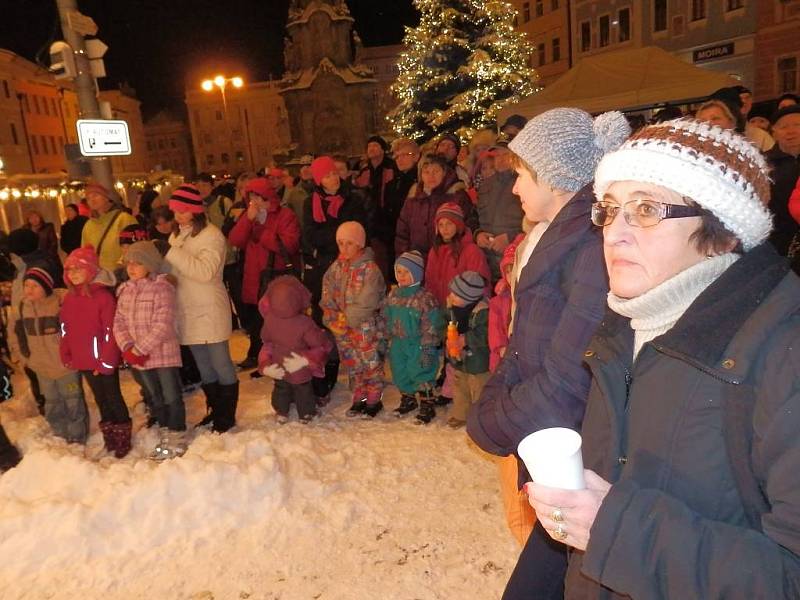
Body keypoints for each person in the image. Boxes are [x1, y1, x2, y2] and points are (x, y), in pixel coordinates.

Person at [525, 117, 800, 599]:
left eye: (647, 209)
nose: (614, 234)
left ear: (723, 230)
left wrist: (615, 531)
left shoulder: (784, 351)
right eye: (609, 210)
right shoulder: (623, 327)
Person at [466, 108, 630, 600]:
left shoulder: (587, 251)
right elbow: (524, 344)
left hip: (579, 449)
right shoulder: (555, 238)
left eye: (521, 174)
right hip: (554, 438)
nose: (514, 188)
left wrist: (489, 421)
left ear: (556, 179)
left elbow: (567, 379)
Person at [163, 184, 238, 433]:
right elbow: (175, 269)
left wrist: (171, 254)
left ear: (196, 210)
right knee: (204, 367)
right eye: (176, 211)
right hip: (187, 309)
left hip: (209, 308)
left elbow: (205, 272)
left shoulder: (212, 235)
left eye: (184, 211)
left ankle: (226, 416)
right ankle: (215, 410)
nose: (179, 216)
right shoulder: (177, 235)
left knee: (221, 363)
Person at [114, 241, 185, 460]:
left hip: (162, 355)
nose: (132, 268)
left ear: (151, 265)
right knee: (154, 397)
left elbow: (162, 324)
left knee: (171, 395)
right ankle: (165, 431)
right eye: (129, 263)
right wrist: (127, 347)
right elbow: (119, 321)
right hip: (138, 357)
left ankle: (176, 437)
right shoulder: (125, 291)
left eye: (138, 263)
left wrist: (139, 348)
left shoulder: (162, 288)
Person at [60, 247, 131, 458]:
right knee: (100, 399)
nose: (73, 274)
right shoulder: (70, 299)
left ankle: (122, 439)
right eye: (69, 270)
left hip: (102, 359)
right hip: (83, 360)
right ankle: (110, 438)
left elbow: (111, 331)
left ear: (90, 270)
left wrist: (107, 361)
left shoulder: (103, 298)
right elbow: (65, 328)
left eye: (78, 269)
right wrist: (66, 352)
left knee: (113, 397)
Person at [228, 177, 301, 373]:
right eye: (250, 197)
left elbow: (289, 245)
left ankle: (280, 358)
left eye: (257, 197)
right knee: (256, 321)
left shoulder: (285, 215)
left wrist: (263, 229)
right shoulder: (249, 215)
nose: (254, 202)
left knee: (278, 322)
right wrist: (247, 219)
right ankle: (259, 356)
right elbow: (235, 239)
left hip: (276, 277)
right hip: (254, 276)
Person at [11, 265, 88, 444]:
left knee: (73, 400)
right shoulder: (22, 308)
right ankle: (60, 434)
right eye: (27, 285)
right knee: (52, 402)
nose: (29, 290)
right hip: (41, 368)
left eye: (35, 286)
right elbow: (15, 335)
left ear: (46, 287)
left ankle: (77, 436)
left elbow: (75, 331)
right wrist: (26, 359)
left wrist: (73, 355)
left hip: (65, 367)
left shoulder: (59, 304)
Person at [321, 221, 386, 417]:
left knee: (370, 362)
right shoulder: (337, 267)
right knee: (352, 362)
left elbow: (368, 301)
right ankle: (360, 395)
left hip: (364, 327)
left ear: (360, 244)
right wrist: (331, 315)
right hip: (343, 327)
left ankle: (374, 396)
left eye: (349, 243)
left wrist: (347, 318)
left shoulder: (370, 270)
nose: (344, 248)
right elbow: (328, 290)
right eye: (340, 243)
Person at [257, 276, 333, 424]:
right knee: (303, 389)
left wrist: (266, 365)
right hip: (298, 364)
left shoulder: (269, 320)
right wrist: (307, 358)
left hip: (279, 363)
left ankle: (281, 412)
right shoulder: (304, 322)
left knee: (281, 387)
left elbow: (266, 340)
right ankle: (306, 413)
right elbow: (319, 342)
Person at [382, 251, 444, 419]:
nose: (401, 276)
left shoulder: (425, 298)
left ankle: (426, 402)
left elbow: (430, 322)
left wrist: (428, 345)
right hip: (398, 342)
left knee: (421, 370)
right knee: (399, 371)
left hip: (419, 344)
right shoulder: (393, 295)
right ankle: (408, 398)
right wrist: (385, 336)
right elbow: (386, 316)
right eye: (398, 271)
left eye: (406, 272)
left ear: (416, 274)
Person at [395, 154, 475, 258]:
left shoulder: (457, 196)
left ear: (444, 173)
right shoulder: (413, 198)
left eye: (436, 172)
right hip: (417, 259)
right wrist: (404, 257)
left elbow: (468, 226)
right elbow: (402, 232)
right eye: (426, 172)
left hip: (448, 258)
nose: (431, 176)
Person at [444, 271, 489, 429]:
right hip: (460, 359)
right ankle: (460, 414)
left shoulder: (482, 312)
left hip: (478, 363)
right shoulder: (454, 309)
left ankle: (480, 418)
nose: (451, 296)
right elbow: (449, 327)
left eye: (456, 294)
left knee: (478, 391)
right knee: (460, 387)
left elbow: (485, 335)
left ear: (468, 297)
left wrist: (466, 339)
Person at [474, 146, 525, 282]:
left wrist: (511, 238)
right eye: (497, 155)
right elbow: (474, 217)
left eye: (506, 155)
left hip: (514, 259)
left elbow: (535, 223)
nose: (500, 159)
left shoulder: (524, 183)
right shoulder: (485, 186)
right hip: (487, 261)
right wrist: (478, 234)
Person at [354, 136, 398, 279]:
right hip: (370, 220)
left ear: (383, 149)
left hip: (388, 219)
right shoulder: (365, 171)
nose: (371, 149)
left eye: (375, 146)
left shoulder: (391, 167)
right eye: (369, 147)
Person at [765, 105, 800, 256]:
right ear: (774, 132)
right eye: (783, 126)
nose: (791, 131)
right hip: (778, 241)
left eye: (797, 125)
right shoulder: (764, 163)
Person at [80, 183, 139, 272]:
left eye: (95, 195)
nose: (92, 199)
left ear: (106, 198)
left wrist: (121, 268)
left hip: (121, 274)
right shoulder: (88, 225)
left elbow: (136, 248)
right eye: (88, 198)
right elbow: (85, 252)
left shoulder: (124, 219)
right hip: (98, 276)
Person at [734, 85, 775, 151]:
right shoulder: (720, 133)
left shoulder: (761, 136)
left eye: (747, 98)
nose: (744, 101)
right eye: (740, 98)